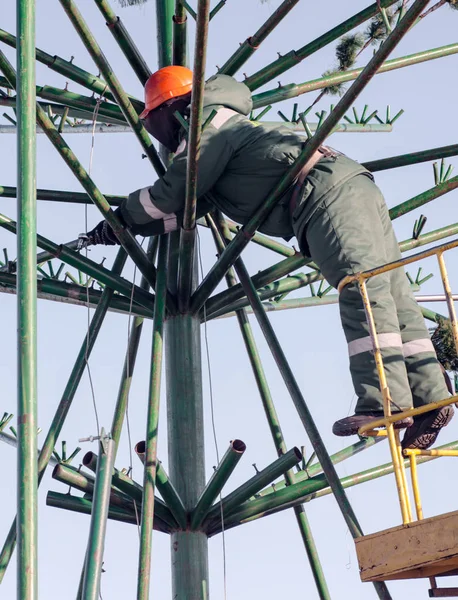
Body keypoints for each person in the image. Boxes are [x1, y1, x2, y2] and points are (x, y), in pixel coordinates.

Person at [82, 66, 454, 450]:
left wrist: (122, 215)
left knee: (361, 289)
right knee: (393, 293)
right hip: (350, 185)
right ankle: (431, 397)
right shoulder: (228, 128)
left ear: (169, 110)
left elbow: (173, 191)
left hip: (320, 195)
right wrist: (123, 231)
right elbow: (187, 208)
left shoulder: (205, 126)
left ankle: (385, 401)